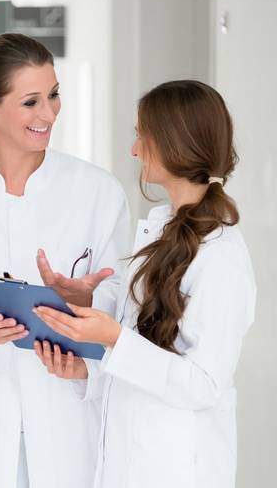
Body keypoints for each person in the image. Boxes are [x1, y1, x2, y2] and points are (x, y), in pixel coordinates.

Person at [0, 33, 129, 487]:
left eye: (54, 95)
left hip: (67, 410)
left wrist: (87, 300)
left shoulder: (96, 191)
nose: (49, 114)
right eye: (31, 102)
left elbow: (124, 300)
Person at [34, 80, 256, 488]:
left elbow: (205, 384)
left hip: (179, 472)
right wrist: (88, 368)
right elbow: (150, 349)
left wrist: (115, 339)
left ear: (175, 143)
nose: (134, 150)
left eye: (142, 136)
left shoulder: (221, 255)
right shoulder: (163, 231)